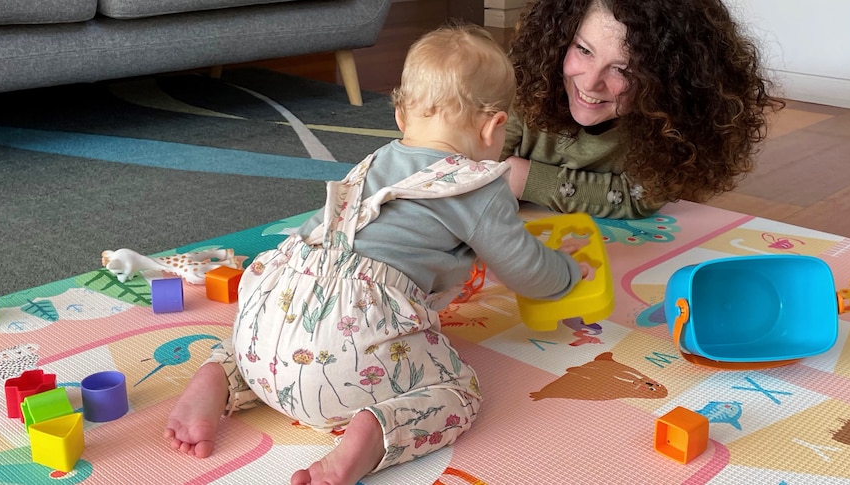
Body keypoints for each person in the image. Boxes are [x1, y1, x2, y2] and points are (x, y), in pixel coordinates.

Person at [163, 23, 592, 485]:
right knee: (459, 393)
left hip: (269, 331)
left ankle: (221, 375)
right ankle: (374, 431)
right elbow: (527, 270)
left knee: (277, 341)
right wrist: (566, 272)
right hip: (346, 363)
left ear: (402, 118)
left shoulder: (374, 163)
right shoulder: (482, 186)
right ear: (495, 127)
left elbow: (320, 235)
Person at [502, 0, 786, 219]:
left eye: (623, 70)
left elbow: (640, 197)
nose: (590, 83)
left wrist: (525, 179)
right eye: (584, 50)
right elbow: (470, 170)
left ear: (667, 83)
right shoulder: (521, 90)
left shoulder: (664, 128)